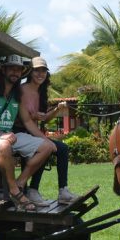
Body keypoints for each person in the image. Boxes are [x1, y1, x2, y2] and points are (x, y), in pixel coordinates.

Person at [0, 55, 56, 211]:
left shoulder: (17, 94)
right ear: (3, 69)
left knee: (47, 147)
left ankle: (20, 182)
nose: (15, 72)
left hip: (8, 135)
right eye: (11, 68)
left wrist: (46, 139)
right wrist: (0, 135)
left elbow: (27, 121)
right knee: (4, 146)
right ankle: (14, 190)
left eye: (18, 70)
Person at [20, 56, 78, 205]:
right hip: (20, 131)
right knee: (46, 147)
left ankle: (63, 191)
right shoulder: (22, 91)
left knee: (63, 148)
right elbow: (26, 120)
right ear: (30, 72)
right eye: (37, 71)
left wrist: (57, 110)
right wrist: (43, 137)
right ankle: (32, 190)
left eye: (43, 71)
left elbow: (43, 118)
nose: (40, 74)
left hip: (31, 131)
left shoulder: (41, 92)